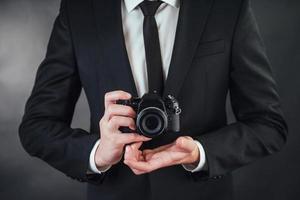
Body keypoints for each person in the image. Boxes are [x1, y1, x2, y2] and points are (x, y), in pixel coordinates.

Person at [19, 0, 288, 200]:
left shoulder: (226, 8)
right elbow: (36, 127)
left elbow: (268, 125)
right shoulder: (79, 11)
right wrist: (97, 154)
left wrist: (200, 153)